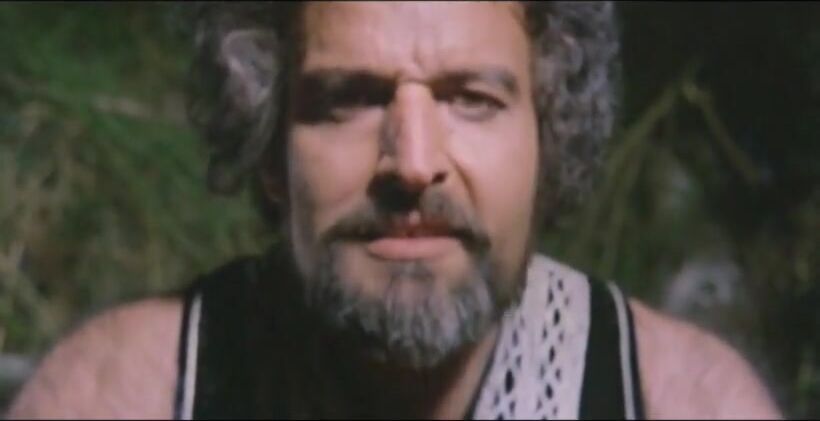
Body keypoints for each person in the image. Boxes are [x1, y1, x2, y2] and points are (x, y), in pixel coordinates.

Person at [7, 2, 782, 419]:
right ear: (270, 150)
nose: (413, 162)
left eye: (471, 99)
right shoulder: (124, 396)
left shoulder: (682, 401)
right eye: (351, 99)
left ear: (549, 141)